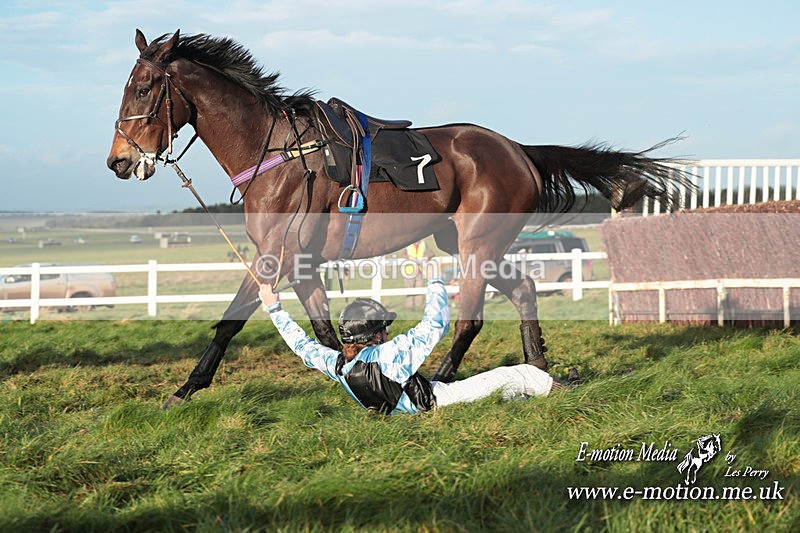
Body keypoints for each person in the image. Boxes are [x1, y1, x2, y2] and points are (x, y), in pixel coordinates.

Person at [258, 267, 572, 415]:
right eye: (384, 329)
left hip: (400, 413)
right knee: (518, 374)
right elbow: (435, 324)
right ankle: (572, 394)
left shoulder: (336, 364)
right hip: (437, 403)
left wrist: (273, 307)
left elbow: (301, 344)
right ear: (375, 335)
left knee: (507, 395)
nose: (388, 333)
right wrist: (435, 281)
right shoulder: (391, 355)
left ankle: (525, 404)